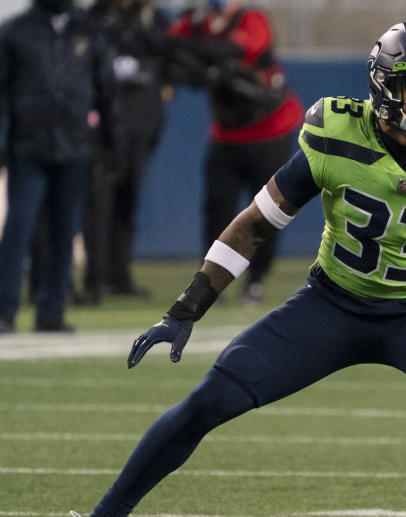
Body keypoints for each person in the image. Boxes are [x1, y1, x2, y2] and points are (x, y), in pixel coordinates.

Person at [47, 22, 406, 517]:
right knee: (211, 399)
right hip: (331, 305)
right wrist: (187, 307)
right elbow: (257, 223)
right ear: (384, 84)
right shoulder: (336, 131)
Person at [165, 0, 302, 304]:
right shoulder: (196, 22)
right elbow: (167, 42)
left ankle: (255, 280)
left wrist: (194, 52)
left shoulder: (251, 18)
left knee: (267, 212)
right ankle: (211, 282)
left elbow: (231, 50)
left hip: (269, 129)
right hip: (226, 133)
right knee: (217, 209)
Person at [0, 0, 114, 333]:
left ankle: (52, 311)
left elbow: (105, 89)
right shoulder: (16, 31)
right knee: (19, 228)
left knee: (65, 232)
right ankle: (5, 308)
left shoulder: (89, 31)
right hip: (29, 145)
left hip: (75, 145)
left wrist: (111, 142)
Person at [78, 0, 170, 304]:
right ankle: (97, 276)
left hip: (140, 124)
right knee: (98, 203)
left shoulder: (152, 18)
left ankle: (120, 274)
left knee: (128, 203)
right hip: (102, 128)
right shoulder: (96, 16)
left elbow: (167, 60)